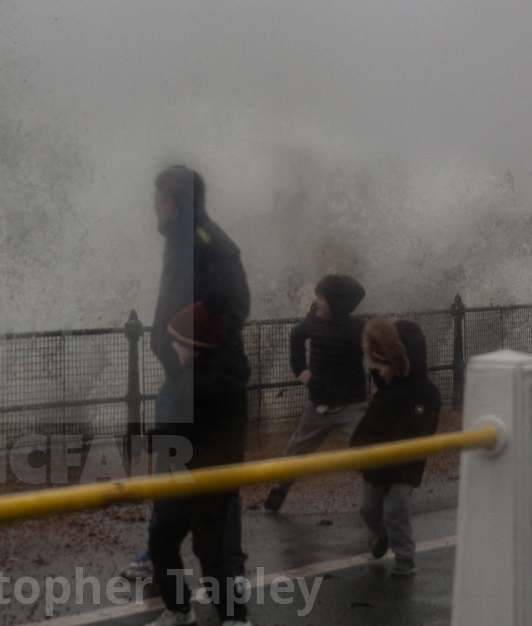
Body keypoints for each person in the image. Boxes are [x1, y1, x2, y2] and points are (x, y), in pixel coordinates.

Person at [121, 165, 251, 581]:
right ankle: (161, 556)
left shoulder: (210, 243)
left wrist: (194, 354)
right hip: (180, 378)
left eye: (157, 199)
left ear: (172, 203)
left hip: (201, 382)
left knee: (216, 475)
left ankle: (229, 568)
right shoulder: (181, 241)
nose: (153, 207)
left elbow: (233, 308)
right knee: (169, 470)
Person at [147, 300, 251, 626]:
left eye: (177, 340)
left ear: (194, 346)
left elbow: (179, 436)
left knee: (176, 546)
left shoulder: (197, 386)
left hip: (199, 483)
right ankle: (230, 617)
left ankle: (187, 611)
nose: (173, 346)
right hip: (209, 483)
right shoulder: (220, 376)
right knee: (203, 551)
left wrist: (151, 438)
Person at [264, 274, 367, 512]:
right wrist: (300, 369)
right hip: (318, 405)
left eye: (321, 297)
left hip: (351, 406)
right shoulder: (312, 322)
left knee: (368, 448)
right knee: (296, 450)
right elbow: (296, 337)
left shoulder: (357, 328)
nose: (316, 302)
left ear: (336, 303)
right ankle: (280, 490)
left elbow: (382, 347)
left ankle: (380, 497)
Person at [349, 318, 441, 576]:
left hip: (405, 464)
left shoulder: (425, 394)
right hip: (379, 463)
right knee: (367, 508)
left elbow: (421, 428)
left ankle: (404, 558)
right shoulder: (384, 391)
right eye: (374, 362)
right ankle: (383, 535)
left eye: (382, 363)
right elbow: (370, 424)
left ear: (401, 361)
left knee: (395, 508)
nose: (376, 369)